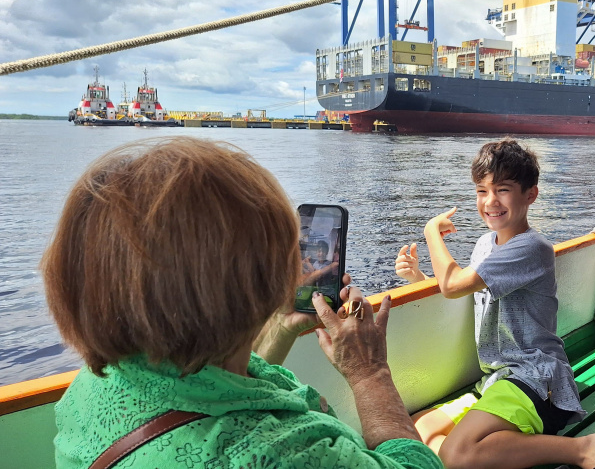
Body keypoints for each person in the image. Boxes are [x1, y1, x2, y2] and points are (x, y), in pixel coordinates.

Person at [43, 137, 442, 469]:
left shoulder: (93, 388)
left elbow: (218, 381)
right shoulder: (284, 452)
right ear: (263, 279)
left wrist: (279, 328)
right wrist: (369, 372)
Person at [394, 138, 595, 469]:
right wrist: (420, 279)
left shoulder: (532, 247)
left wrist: (432, 232)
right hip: (496, 380)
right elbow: (467, 294)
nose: (490, 201)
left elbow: (454, 285)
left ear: (530, 195)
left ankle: (584, 448)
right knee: (416, 429)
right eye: (481, 191)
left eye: (503, 190)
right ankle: (482, 453)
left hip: (536, 379)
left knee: (456, 455)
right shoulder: (486, 244)